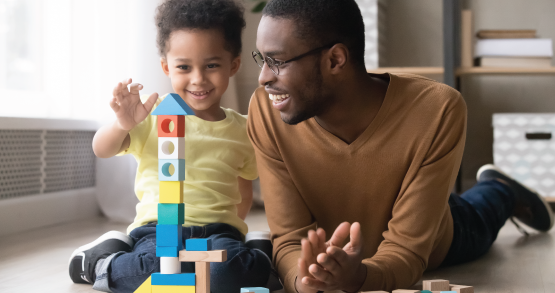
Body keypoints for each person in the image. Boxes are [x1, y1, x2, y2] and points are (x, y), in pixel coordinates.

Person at [247, 0, 555, 292]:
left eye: (277, 61)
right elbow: (288, 238)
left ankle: (502, 189)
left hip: (434, 240)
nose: (262, 78)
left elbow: (408, 251)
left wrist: (359, 277)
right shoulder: (266, 111)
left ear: (335, 60)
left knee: (481, 212)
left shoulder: (436, 109)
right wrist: (307, 281)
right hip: (349, 253)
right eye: (262, 59)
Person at [67, 1, 278, 292]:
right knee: (150, 271)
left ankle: (256, 249)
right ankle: (101, 260)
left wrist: (233, 226)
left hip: (218, 231)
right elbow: (102, 149)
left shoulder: (242, 128)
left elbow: (244, 185)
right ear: (167, 67)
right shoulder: (152, 117)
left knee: (227, 275)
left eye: (212, 65)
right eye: (183, 67)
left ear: (234, 65)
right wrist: (122, 124)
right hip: (157, 231)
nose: (198, 79)